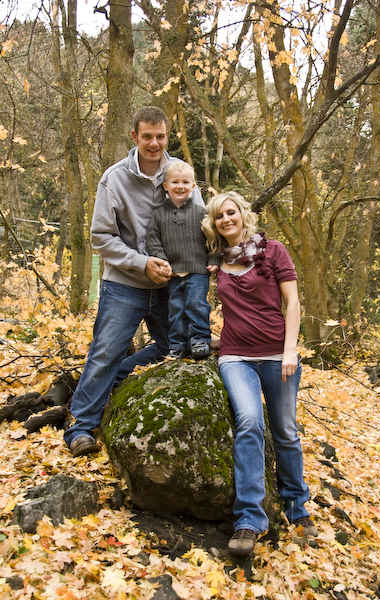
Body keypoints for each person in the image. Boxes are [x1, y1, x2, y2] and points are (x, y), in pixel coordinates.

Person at [64, 106, 205, 458]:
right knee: (104, 353)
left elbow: (201, 225)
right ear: (135, 137)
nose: (154, 143)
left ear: (167, 136)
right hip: (124, 285)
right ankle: (81, 427)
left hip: (172, 286)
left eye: (161, 136)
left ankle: (114, 379)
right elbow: (100, 237)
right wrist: (142, 263)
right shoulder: (114, 179)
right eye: (147, 137)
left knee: (179, 348)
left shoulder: (181, 174)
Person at [201, 191, 317, 557]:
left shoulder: (273, 251)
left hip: (277, 355)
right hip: (235, 356)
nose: (226, 219)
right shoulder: (216, 262)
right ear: (214, 223)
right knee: (250, 422)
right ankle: (249, 520)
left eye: (231, 212)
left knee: (285, 431)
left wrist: (290, 350)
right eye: (219, 216)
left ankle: (297, 508)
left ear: (242, 214)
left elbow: (293, 302)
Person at [146, 160, 219, 360]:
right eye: (175, 182)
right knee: (175, 309)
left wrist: (214, 258)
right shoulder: (158, 215)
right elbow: (153, 241)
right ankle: (177, 344)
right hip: (173, 272)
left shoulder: (201, 213)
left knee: (197, 305)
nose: (180, 186)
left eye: (185, 182)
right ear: (165, 186)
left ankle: (200, 340)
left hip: (198, 270)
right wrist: (162, 262)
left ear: (193, 186)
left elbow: (213, 238)